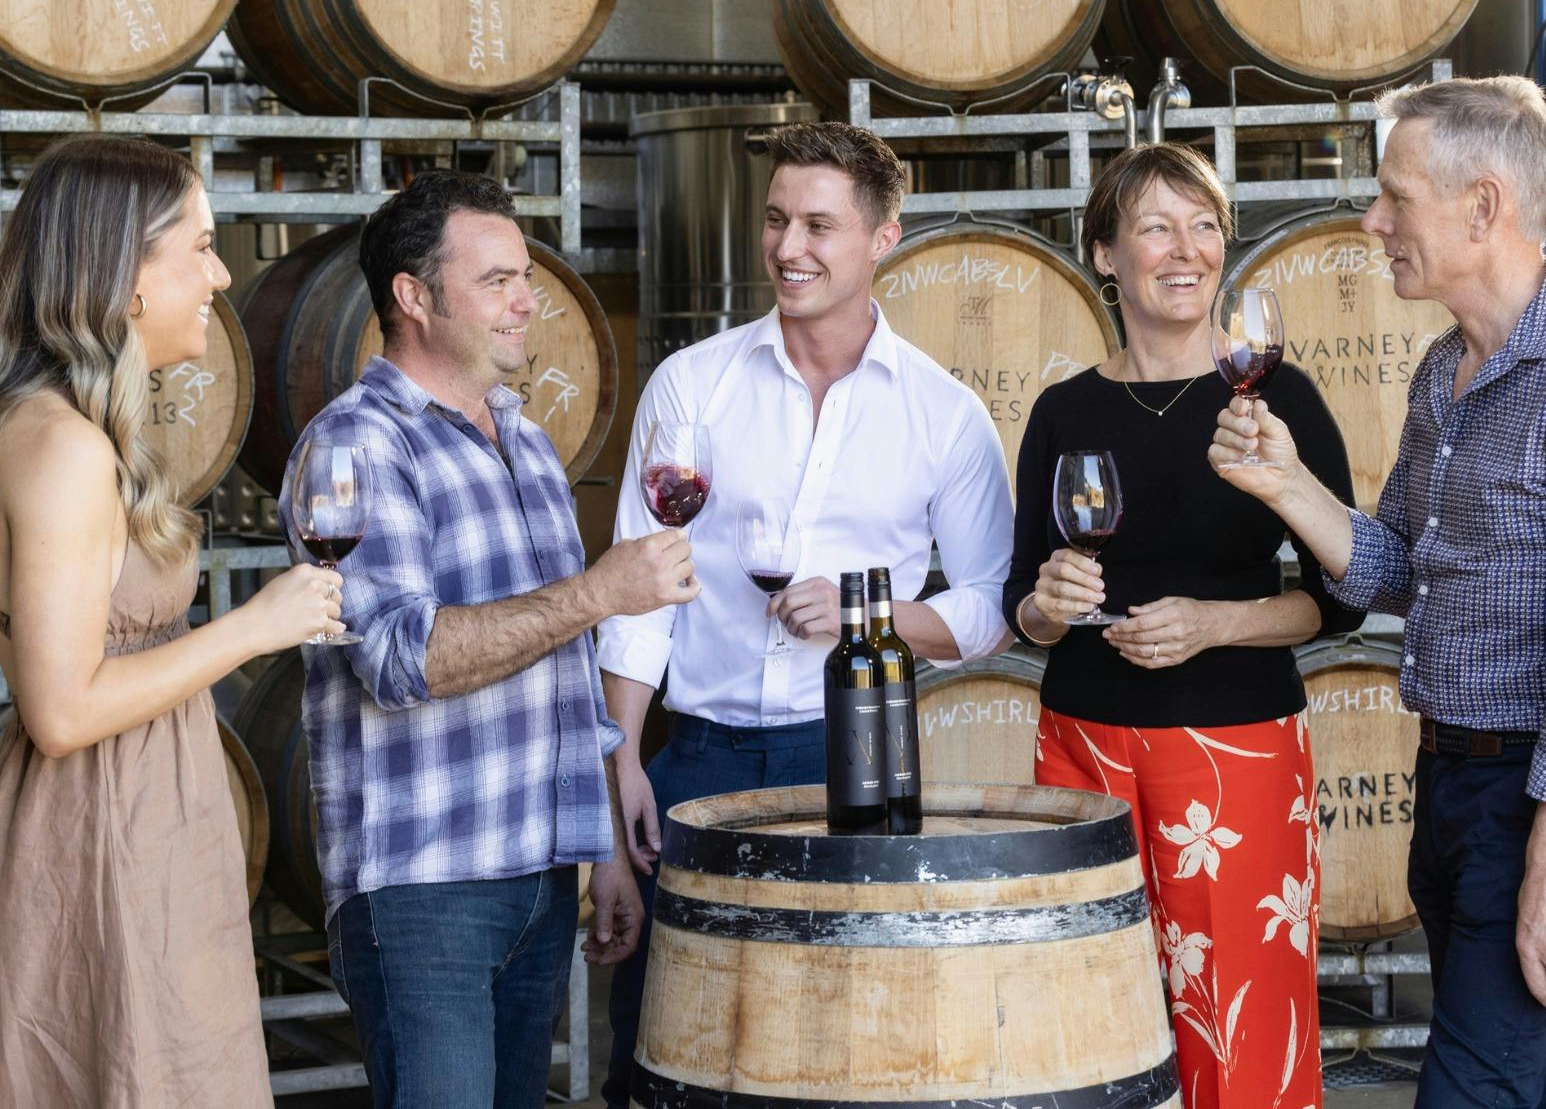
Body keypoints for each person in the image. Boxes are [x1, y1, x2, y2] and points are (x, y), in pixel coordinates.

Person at [597, 120, 1015, 1107]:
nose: (790, 248)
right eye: (777, 220)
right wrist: (619, 762)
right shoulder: (691, 387)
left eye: (820, 226)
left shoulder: (942, 414)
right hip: (692, 761)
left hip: (858, 760)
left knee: (847, 1044)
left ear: (883, 238)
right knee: (668, 1042)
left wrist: (867, 614)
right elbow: (638, 592)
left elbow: (991, 609)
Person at [1212, 76, 1546, 1108]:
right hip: (1448, 785)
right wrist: (1285, 480)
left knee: (1470, 1090)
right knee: (1524, 1082)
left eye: (1394, 197)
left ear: (1482, 207)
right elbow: (1396, 569)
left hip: (1538, 798)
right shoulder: (1443, 373)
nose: (1370, 220)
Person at [280, 170, 697, 1109]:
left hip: (542, 876)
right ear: (415, 298)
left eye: (526, 276)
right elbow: (401, 659)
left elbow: (562, 680)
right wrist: (596, 592)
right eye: (498, 280)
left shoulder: (527, 440)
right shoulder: (357, 447)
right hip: (425, 888)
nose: (527, 299)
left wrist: (602, 858)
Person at [1004, 142, 1364, 1109]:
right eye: (1156, 226)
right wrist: (1050, 604)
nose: (1187, 248)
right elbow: (1022, 608)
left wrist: (1216, 624)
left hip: (1233, 747)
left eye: (1204, 225)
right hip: (1082, 742)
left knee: (1238, 1014)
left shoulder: (1272, 398)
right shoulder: (1063, 410)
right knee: (1094, 1005)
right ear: (1105, 253)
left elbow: (1343, 596)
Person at [0, 135, 343, 1107]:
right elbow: (60, 712)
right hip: (105, 827)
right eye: (197, 246)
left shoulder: (52, 424)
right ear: (127, 276)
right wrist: (254, 626)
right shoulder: (62, 447)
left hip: (140, 814)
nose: (222, 272)